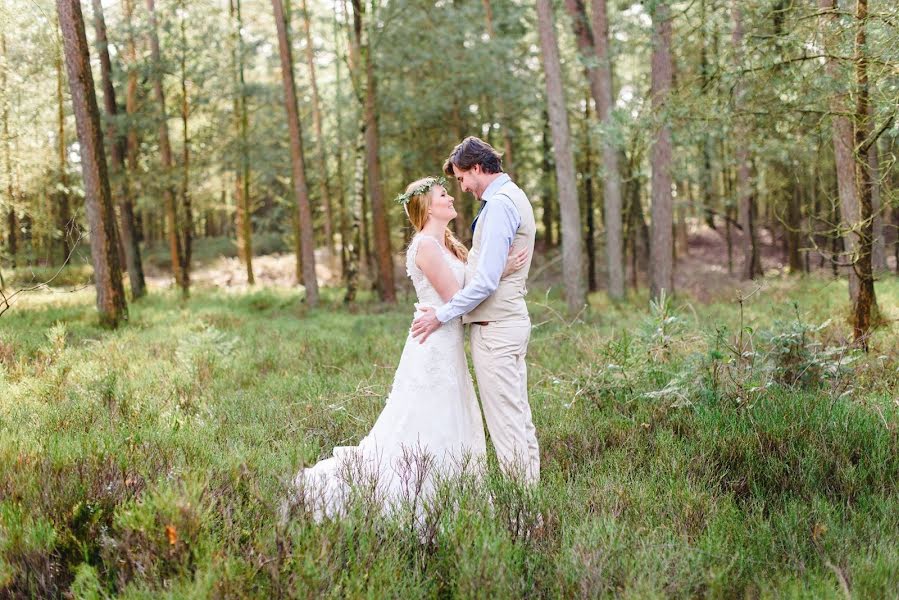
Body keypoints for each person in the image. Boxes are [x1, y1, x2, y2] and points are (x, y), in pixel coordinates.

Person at [285, 176, 527, 520]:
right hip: (434, 346)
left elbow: (463, 288)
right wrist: (499, 271)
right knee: (429, 423)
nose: (451, 198)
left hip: (447, 344)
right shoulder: (425, 246)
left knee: (448, 422)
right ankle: (419, 500)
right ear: (428, 206)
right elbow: (454, 298)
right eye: (444, 194)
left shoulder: (445, 243)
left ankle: (451, 498)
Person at [411, 136, 540, 484]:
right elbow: (487, 273)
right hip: (505, 323)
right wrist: (499, 269)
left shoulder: (498, 205)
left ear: (478, 168)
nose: (462, 187)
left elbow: (482, 284)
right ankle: (530, 504)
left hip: (495, 328)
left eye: (462, 178)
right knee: (518, 420)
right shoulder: (512, 197)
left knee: (507, 426)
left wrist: (440, 315)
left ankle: (524, 514)